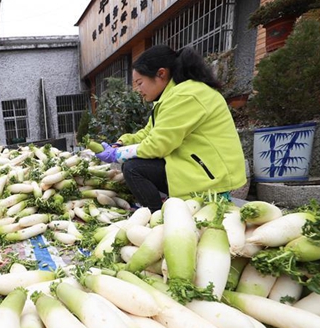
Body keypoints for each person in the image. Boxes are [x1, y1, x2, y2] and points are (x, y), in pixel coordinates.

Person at [95, 45, 246, 211]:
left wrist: (117, 155)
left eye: (140, 83)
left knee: (133, 168)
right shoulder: (171, 96)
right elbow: (149, 132)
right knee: (136, 164)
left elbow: (157, 145)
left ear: (161, 73)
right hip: (195, 167)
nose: (138, 90)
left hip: (209, 176)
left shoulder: (186, 96)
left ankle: (156, 215)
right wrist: (122, 142)